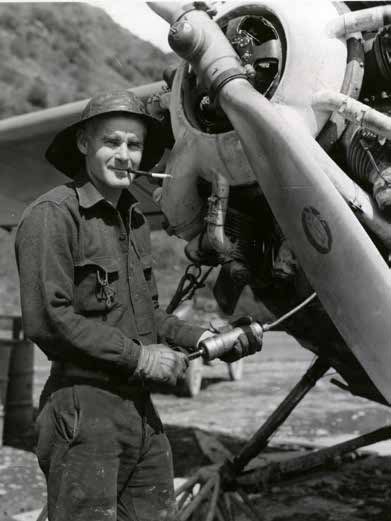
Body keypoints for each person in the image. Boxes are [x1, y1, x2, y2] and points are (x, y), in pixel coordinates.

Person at [15, 90, 261, 521]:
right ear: (83, 144)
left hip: (139, 410)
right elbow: (49, 319)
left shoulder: (133, 219)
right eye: (112, 142)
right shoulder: (52, 215)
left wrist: (205, 336)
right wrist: (139, 356)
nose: (125, 155)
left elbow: (149, 315)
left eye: (134, 144)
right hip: (82, 407)